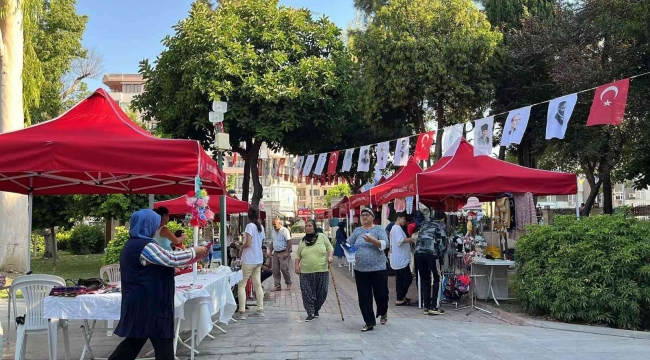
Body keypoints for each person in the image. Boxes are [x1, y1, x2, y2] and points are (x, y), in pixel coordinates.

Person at [109, 209, 207, 360]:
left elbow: (160, 262)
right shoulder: (144, 245)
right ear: (147, 225)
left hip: (144, 301)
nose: (156, 227)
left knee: (139, 341)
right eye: (154, 224)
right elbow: (170, 258)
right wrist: (194, 251)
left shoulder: (135, 244)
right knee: (152, 340)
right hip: (148, 302)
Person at [347, 208, 389, 332]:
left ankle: (383, 311)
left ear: (372, 216)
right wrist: (351, 252)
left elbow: (385, 244)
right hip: (361, 269)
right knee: (364, 296)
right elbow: (349, 245)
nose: (364, 217)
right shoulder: (357, 231)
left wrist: (373, 241)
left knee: (381, 294)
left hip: (378, 268)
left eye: (367, 215)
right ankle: (369, 322)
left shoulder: (379, 229)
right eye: (362, 215)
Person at [294, 219, 333, 321]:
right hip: (306, 272)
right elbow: (298, 255)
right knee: (307, 292)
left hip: (322, 270)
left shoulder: (322, 237)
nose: (308, 227)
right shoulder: (302, 241)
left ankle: (316, 309)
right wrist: (296, 266)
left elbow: (330, 248)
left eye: (310, 226)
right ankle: (310, 312)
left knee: (322, 293)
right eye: (306, 226)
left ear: (314, 227)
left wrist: (330, 257)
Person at [234, 208, 266, 320]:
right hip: (258, 259)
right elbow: (260, 242)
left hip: (249, 259)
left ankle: (241, 311)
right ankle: (260, 309)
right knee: (257, 284)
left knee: (241, 285)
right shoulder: (261, 227)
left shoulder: (249, 226)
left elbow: (248, 243)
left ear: (248, 216)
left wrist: (239, 246)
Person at [414, 208, 447, 316]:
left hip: (418, 253)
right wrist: (441, 257)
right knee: (438, 278)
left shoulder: (424, 224)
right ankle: (434, 306)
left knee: (425, 279)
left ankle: (426, 306)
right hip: (431, 253)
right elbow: (442, 243)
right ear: (442, 219)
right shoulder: (439, 225)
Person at [390, 213, 415, 306]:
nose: (404, 221)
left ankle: (399, 298)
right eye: (403, 219)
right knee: (408, 278)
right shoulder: (397, 228)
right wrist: (411, 239)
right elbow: (400, 240)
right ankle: (401, 296)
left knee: (400, 279)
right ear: (398, 218)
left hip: (398, 258)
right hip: (400, 259)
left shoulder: (394, 228)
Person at [269, 217, 293, 291]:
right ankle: (277, 285)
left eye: (275, 224)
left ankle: (288, 283)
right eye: (273, 224)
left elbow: (289, 241)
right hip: (276, 252)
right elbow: (272, 242)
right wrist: (270, 251)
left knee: (284, 268)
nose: (274, 226)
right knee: (275, 270)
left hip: (283, 252)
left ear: (280, 223)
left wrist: (286, 252)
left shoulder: (284, 230)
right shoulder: (273, 231)